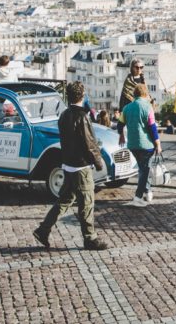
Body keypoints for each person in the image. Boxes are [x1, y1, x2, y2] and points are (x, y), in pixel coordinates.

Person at [33, 81, 108, 250]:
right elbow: (89, 143)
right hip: (81, 167)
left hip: (67, 165)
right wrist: (98, 162)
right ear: (83, 96)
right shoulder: (83, 117)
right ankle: (90, 238)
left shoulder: (64, 115)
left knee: (64, 200)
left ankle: (43, 229)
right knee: (86, 203)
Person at [119, 85, 162, 208]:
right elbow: (152, 128)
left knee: (143, 169)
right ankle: (137, 197)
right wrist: (158, 144)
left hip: (133, 145)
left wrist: (121, 135)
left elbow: (120, 124)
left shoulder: (127, 108)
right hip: (146, 145)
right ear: (145, 94)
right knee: (145, 170)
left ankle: (148, 192)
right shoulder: (147, 107)